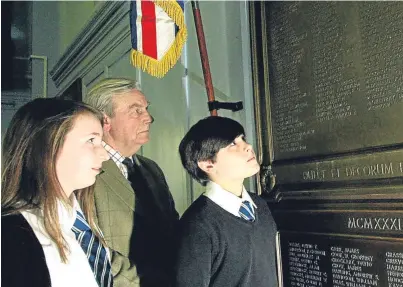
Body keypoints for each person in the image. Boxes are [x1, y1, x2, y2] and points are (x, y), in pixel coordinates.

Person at [1, 98, 112, 287]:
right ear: (47, 145)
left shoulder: (83, 224)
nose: (105, 154)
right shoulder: (10, 235)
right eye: (91, 140)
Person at [84, 78, 179, 287]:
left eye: (146, 109)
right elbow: (89, 248)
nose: (149, 118)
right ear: (105, 120)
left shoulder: (152, 169)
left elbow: (173, 231)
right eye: (136, 111)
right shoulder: (86, 172)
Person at [174, 116, 278, 287]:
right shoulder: (197, 227)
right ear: (207, 164)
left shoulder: (260, 206)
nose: (248, 147)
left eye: (242, 139)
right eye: (232, 144)